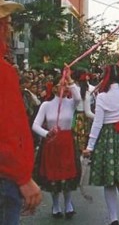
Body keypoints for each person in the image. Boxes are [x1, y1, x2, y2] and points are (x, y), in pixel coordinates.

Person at [0, 0, 42, 225]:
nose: (9, 29)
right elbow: (7, 132)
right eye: (6, 23)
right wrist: (22, 177)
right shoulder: (3, 72)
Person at [83, 65, 119, 225]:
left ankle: (113, 217)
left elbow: (98, 123)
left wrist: (90, 146)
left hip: (108, 138)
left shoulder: (102, 96)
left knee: (109, 180)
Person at [32, 75, 82, 218]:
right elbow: (35, 125)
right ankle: (55, 204)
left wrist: (70, 79)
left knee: (67, 173)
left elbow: (78, 96)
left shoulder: (71, 103)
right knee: (53, 175)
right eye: (62, 85)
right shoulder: (46, 105)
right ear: (54, 88)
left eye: (67, 85)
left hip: (67, 143)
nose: (65, 87)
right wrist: (47, 133)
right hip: (51, 143)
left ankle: (68, 204)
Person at [71, 69, 95, 153]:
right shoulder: (86, 91)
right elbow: (88, 112)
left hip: (71, 117)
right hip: (81, 118)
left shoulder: (70, 89)